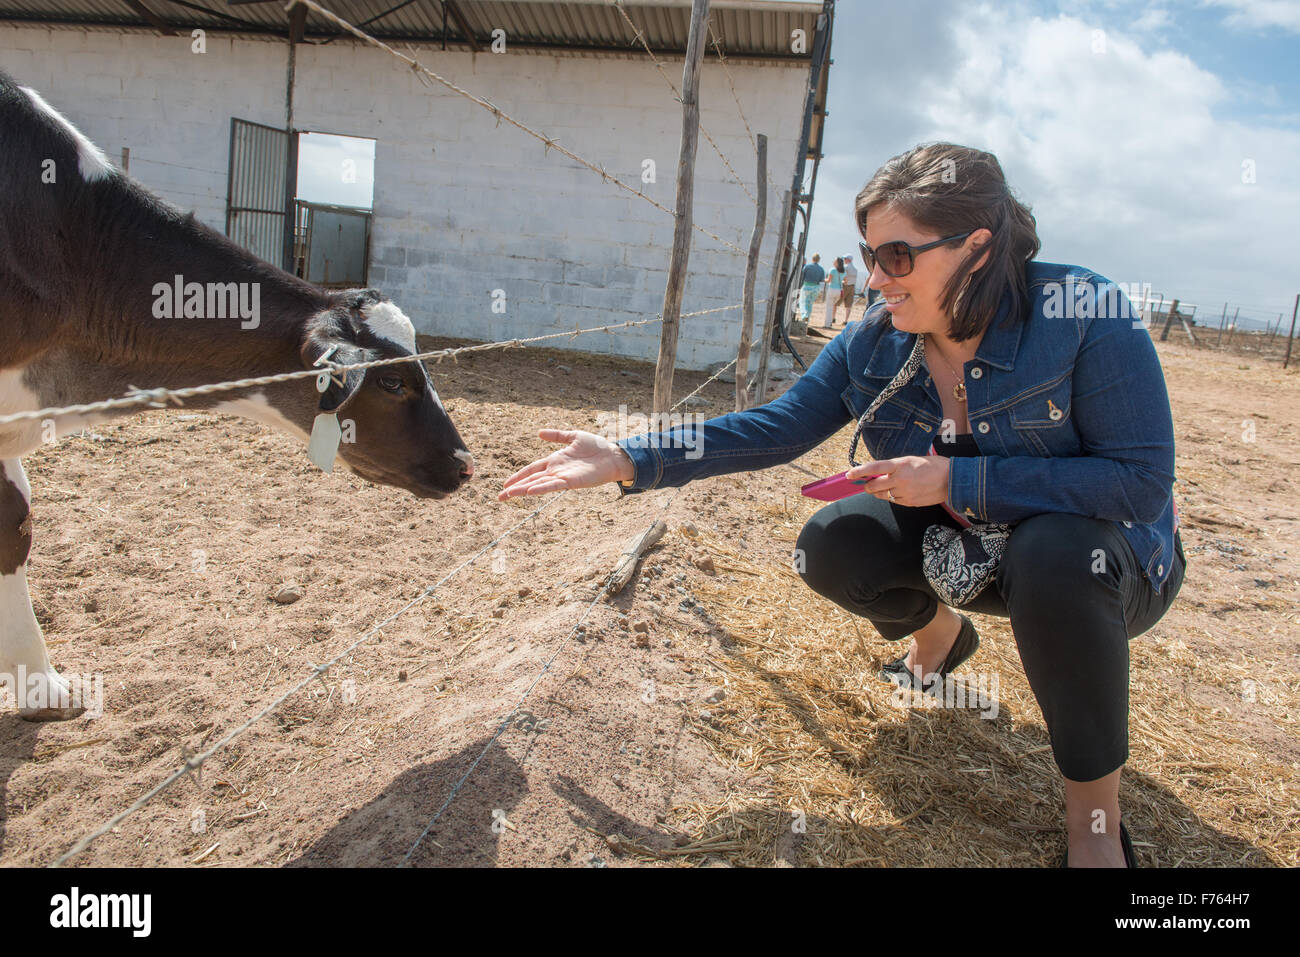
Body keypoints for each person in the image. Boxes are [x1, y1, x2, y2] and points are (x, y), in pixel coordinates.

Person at [497, 142, 1184, 869]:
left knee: (1056, 555)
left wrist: (956, 483)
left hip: (1105, 568)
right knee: (831, 542)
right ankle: (940, 642)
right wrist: (631, 456)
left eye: (896, 255)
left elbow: (1138, 481)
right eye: (868, 254)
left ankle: (1095, 828)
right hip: (968, 549)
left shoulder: (1084, 313)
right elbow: (778, 426)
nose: (875, 277)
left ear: (977, 249)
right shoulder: (875, 342)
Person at [798, 254, 825, 322]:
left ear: (812, 259)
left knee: (803, 302)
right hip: (816, 287)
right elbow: (822, 280)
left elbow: (802, 277)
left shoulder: (807, 267)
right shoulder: (821, 269)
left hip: (807, 286)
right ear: (819, 260)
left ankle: (804, 316)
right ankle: (807, 319)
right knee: (810, 304)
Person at [821, 257, 844, 328]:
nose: (833, 261)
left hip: (832, 290)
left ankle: (827, 324)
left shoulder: (832, 270)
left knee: (829, 308)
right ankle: (830, 322)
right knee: (832, 307)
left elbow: (828, 280)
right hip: (839, 291)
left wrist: (822, 279)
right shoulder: (843, 271)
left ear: (837, 262)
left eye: (834, 260)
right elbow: (845, 281)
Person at [836, 254, 858, 322]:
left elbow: (843, 277)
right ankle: (846, 320)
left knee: (836, 302)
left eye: (845, 259)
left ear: (848, 260)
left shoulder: (845, 267)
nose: (844, 260)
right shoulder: (855, 269)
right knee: (848, 305)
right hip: (852, 287)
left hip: (844, 286)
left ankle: (833, 318)